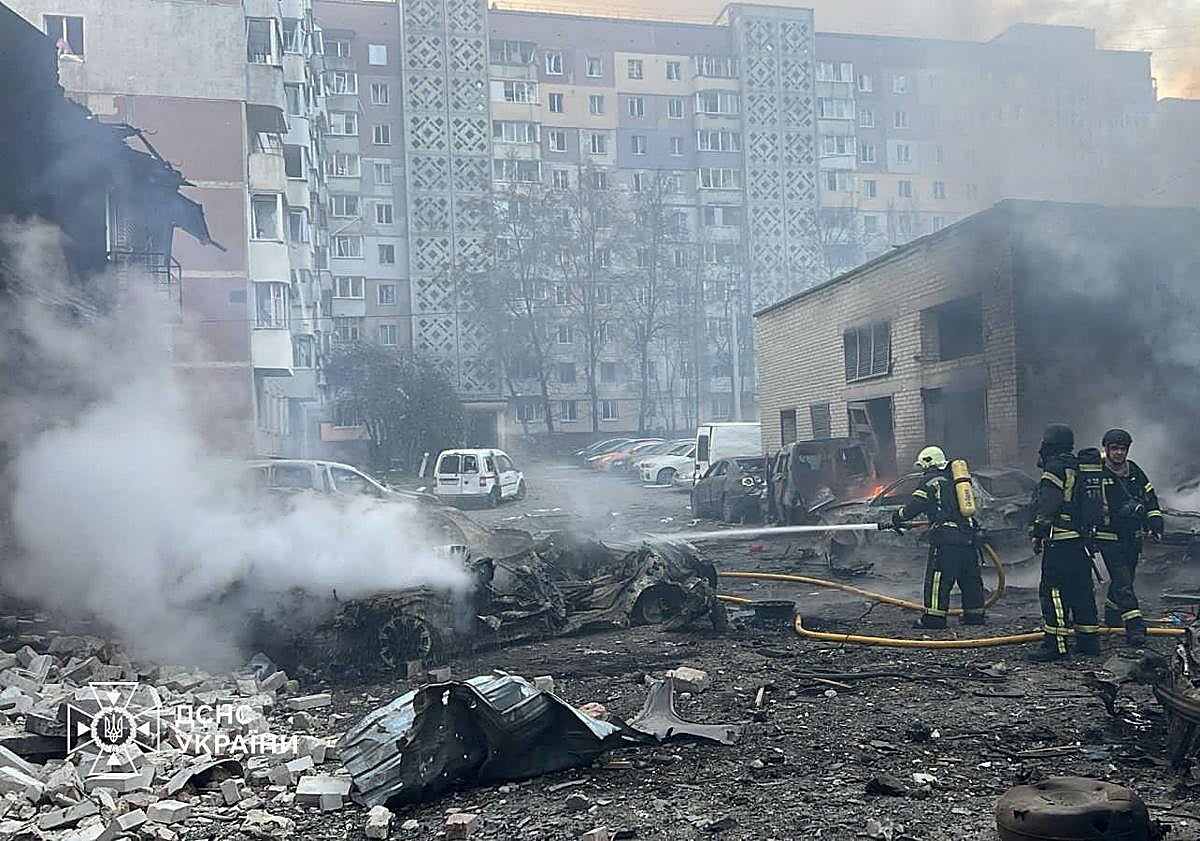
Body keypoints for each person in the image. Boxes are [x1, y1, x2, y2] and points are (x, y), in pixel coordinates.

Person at [887, 445, 986, 628]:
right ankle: (975, 616)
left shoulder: (932, 480)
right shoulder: (956, 480)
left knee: (939, 578)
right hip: (968, 536)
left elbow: (915, 505)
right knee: (969, 577)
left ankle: (934, 619)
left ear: (928, 463)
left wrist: (897, 517)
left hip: (946, 538)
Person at [1029, 423, 1101, 660]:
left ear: (1050, 443)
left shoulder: (1055, 468)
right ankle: (1089, 643)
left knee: (1053, 591)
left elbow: (1049, 503)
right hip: (1080, 543)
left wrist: (1038, 530)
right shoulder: (1080, 466)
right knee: (1082, 591)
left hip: (1059, 541)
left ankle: (1056, 645)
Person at [1097, 428, 1163, 646]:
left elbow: (1150, 496)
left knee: (1125, 578)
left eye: (1122, 449)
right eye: (1114, 449)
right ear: (1106, 449)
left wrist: (1155, 522)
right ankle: (1135, 627)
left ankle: (1112, 614)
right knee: (1124, 581)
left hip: (1132, 537)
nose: (1118, 453)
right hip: (1109, 536)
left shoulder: (1133, 470)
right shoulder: (1098, 473)